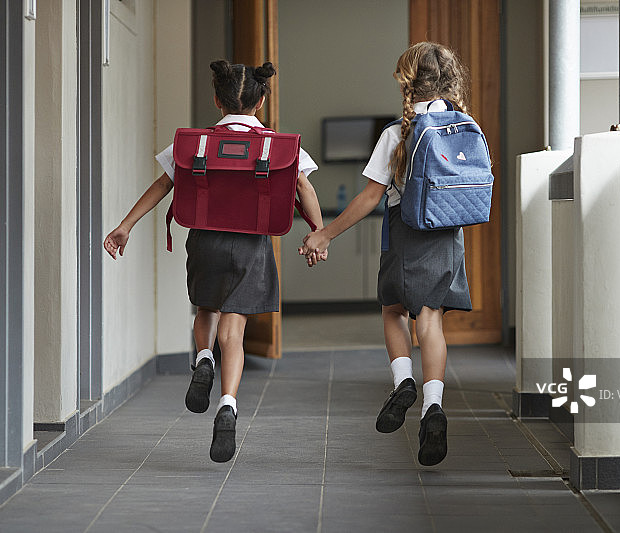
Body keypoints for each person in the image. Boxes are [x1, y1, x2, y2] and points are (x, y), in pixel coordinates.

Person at [104, 60, 324, 463]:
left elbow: (163, 184)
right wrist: (318, 233)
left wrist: (125, 225)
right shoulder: (276, 145)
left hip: (205, 241)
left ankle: (203, 358)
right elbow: (303, 187)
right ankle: (227, 405)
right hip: (251, 245)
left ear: (217, 100)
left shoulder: (196, 144)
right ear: (261, 102)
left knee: (207, 308)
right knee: (234, 330)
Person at [300, 42, 473, 466]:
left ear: (407, 82)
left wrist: (325, 234)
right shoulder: (465, 125)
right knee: (430, 319)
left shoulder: (399, 132)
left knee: (393, 310)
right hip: (449, 235)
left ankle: (403, 382)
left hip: (406, 233)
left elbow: (370, 197)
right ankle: (434, 406)